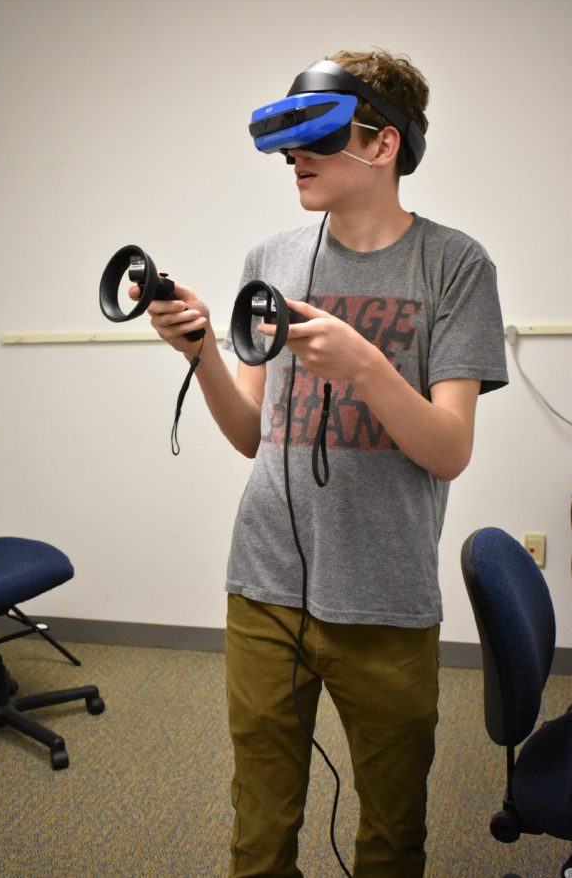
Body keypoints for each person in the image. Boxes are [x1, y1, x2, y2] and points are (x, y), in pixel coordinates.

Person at [133, 48, 508, 877]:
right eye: (288, 141)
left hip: (385, 600)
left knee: (389, 835)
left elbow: (449, 451)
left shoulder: (456, 266)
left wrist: (367, 366)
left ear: (383, 146)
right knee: (259, 834)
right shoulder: (270, 257)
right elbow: (251, 435)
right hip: (263, 590)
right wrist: (200, 352)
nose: (292, 158)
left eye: (317, 137)